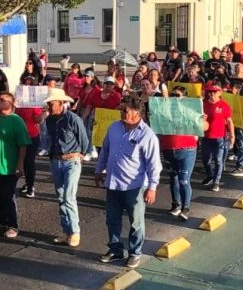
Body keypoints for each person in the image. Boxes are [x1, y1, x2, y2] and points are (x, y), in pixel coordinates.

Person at [95, 93, 161, 269]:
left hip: (135, 186)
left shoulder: (148, 136)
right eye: (121, 109)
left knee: (136, 222)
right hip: (113, 183)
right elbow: (105, 150)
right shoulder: (114, 128)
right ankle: (115, 249)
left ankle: (134, 253)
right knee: (112, 219)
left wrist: (152, 187)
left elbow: (154, 164)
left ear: (137, 113)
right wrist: (98, 170)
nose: (122, 112)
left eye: (125, 110)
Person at [44, 87, 89, 247]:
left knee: (69, 197)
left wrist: (80, 154)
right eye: (49, 104)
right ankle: (66, 230)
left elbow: (84, 139)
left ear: (61, 103)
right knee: (61, 197)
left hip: (71, 161)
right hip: (56, 160)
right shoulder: (49, 120)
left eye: (52, 104)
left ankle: (75, 231)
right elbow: (49, 138)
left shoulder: (72, 119)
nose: (50, 107)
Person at [0, 92, 31, 238]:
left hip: (9, 166)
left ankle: (12, 225)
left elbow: (23, 144)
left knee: (8, 195)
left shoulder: (16, 121)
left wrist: (20, 165)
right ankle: (1, 221)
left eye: (2, 100)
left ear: (11, 104)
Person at [159, 86, 198, 221]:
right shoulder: (164, 111)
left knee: (183, 180)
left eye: (177, 95)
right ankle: (176, 204)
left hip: (186, 149)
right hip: (169, 149)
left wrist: (201, 121)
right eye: (172, 95)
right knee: (173, 178)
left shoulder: (190, 111)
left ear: (184, 98)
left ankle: (185, 208)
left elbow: (204, 126)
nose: (174, 97)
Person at [201, 84, 235, 192]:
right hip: (206, 137)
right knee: (206, 159)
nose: (211, 94)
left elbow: (229, 121)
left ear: (219, 93)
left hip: (219, 137)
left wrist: (232, 135)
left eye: (214, 92)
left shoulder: (224, 105)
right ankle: (210, 175)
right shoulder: (204, 104)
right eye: (209, 92)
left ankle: (216, 181)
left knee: (218, 160)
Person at [16, 77, 45, 198]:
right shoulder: (18, 102)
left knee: (29, 162)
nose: (26, 88)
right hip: (18, 135)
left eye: (29, 86)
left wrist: (44, 112)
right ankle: (27, 183)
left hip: (31, 135)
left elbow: (38, 120)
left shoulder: (35, 104)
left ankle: (30, 186)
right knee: (19, 161)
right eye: (24, 85)